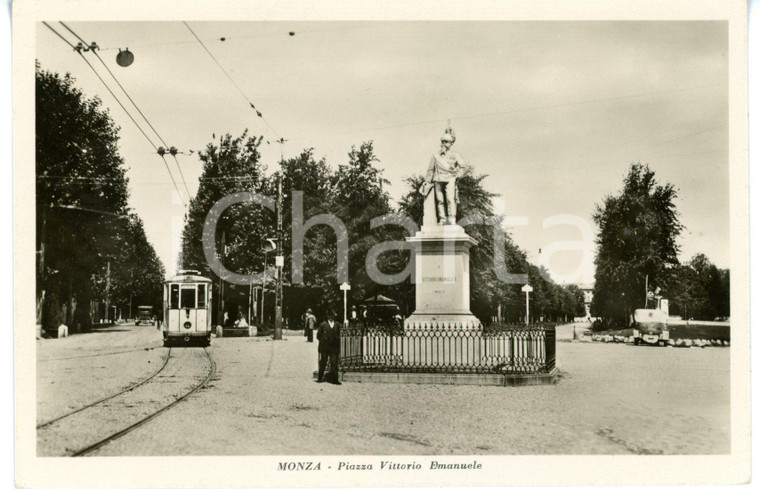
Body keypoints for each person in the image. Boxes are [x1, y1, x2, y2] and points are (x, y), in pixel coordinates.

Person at [421, 125, 467, 225]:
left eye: (446, 142)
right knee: (440, 200)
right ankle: (441, 218)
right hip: (438, 178)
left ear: (450, 144)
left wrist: (457, 176)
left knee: (450, 199)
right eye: (442, 141)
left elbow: (463, 167)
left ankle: (451, 218)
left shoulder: (455, 155)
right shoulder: (435, 155)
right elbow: (430, 169)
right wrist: (427, 181)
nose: (444, 144)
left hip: (450, 179)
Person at [316, 309, 341, 385]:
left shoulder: (337, 325)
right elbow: (318, 336)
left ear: (334, 316)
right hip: (325, 347)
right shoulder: (323, 325)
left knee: (334, 363)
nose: (330, 317)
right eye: (329, 316)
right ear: (327, 317)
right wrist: (323, 341)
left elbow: (338, 334)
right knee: (323, 362)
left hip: (334, 347)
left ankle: (335, 379)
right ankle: (320, 378)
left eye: (332, 316)